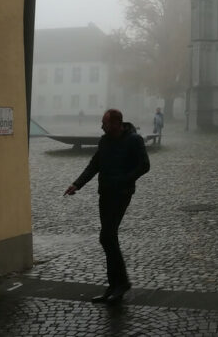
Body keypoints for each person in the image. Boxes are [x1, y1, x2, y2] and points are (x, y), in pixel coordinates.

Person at [63, 109, 150, 304]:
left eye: (105, 123)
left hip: (122, 194)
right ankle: (115, 284)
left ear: (117, 124)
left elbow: (144, 165)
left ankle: (121, 283)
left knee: (107, 236)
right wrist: (76, 184)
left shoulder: (134, 140)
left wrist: (125, 180)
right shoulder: (105, 141)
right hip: (105, 194)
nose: (102, 126)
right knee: (108, 238)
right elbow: (94, 165)